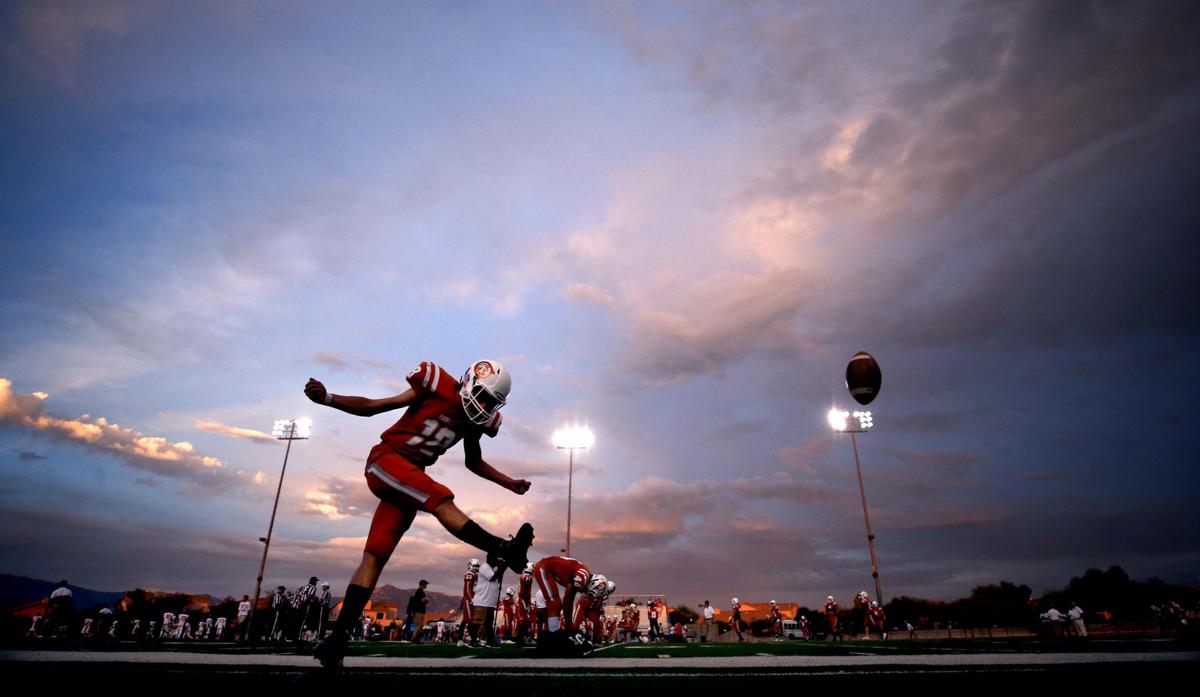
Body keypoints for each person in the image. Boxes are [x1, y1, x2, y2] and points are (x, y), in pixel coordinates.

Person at [307, 359, 535, 670]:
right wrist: (329, 399)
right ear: (468, 381)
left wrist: (508, 483)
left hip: (409, 479)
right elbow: (376, 406)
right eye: (481, 395)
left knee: (375, 556)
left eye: (491, 401)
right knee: (440, 497)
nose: (483, 405)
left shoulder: (475, 420)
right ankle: (503, 548)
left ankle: (336, 641)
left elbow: (474, 461)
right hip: (387, 460)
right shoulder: (435, 384)